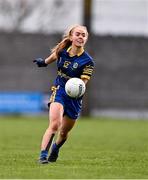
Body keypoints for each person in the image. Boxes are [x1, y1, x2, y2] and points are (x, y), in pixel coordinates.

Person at [33, 24, 94, 164]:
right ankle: (43, 156)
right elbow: (55, 55)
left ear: (86, 39)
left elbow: (83, 83)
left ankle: (55, 148)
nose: (80, 37)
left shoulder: (88, 61)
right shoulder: (63, 51)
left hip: (75, 98)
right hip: (59, 90)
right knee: (55, 124)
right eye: (78, 34)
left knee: (63, 133)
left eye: (83, 35)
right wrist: (44, 62)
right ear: (71, 37)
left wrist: (76, 87)